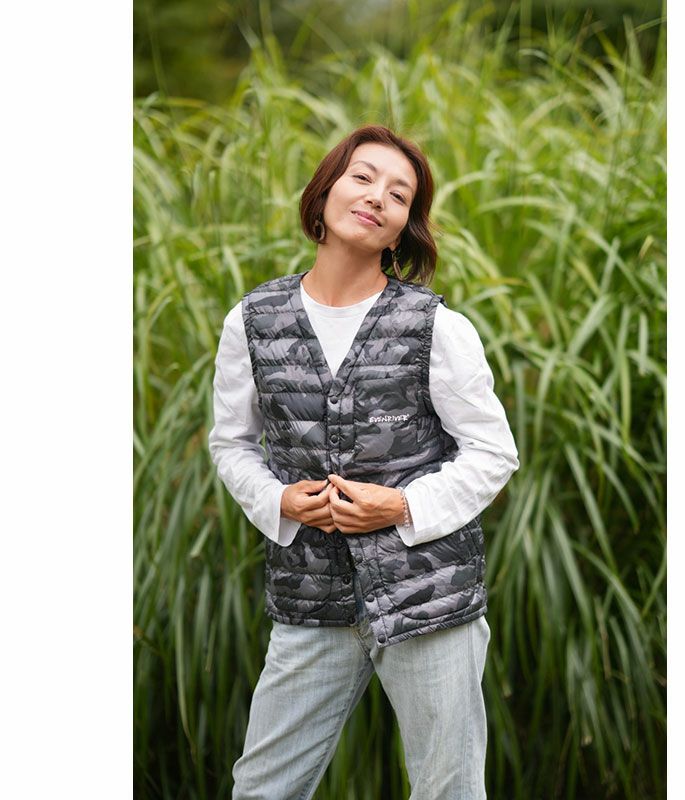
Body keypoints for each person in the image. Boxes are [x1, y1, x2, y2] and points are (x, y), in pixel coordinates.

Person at [208, 124, 519, 800]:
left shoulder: (436, 326)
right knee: (261, 788)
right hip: (310, 597)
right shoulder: (252, 321)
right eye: (363, 177)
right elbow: (230, 443)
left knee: (449, 791)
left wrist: (401, 506)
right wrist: (279, 501)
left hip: (428, 601)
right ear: (325, 192)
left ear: (404, 228)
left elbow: (494, 451)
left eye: (400, 194)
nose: (379, 196)